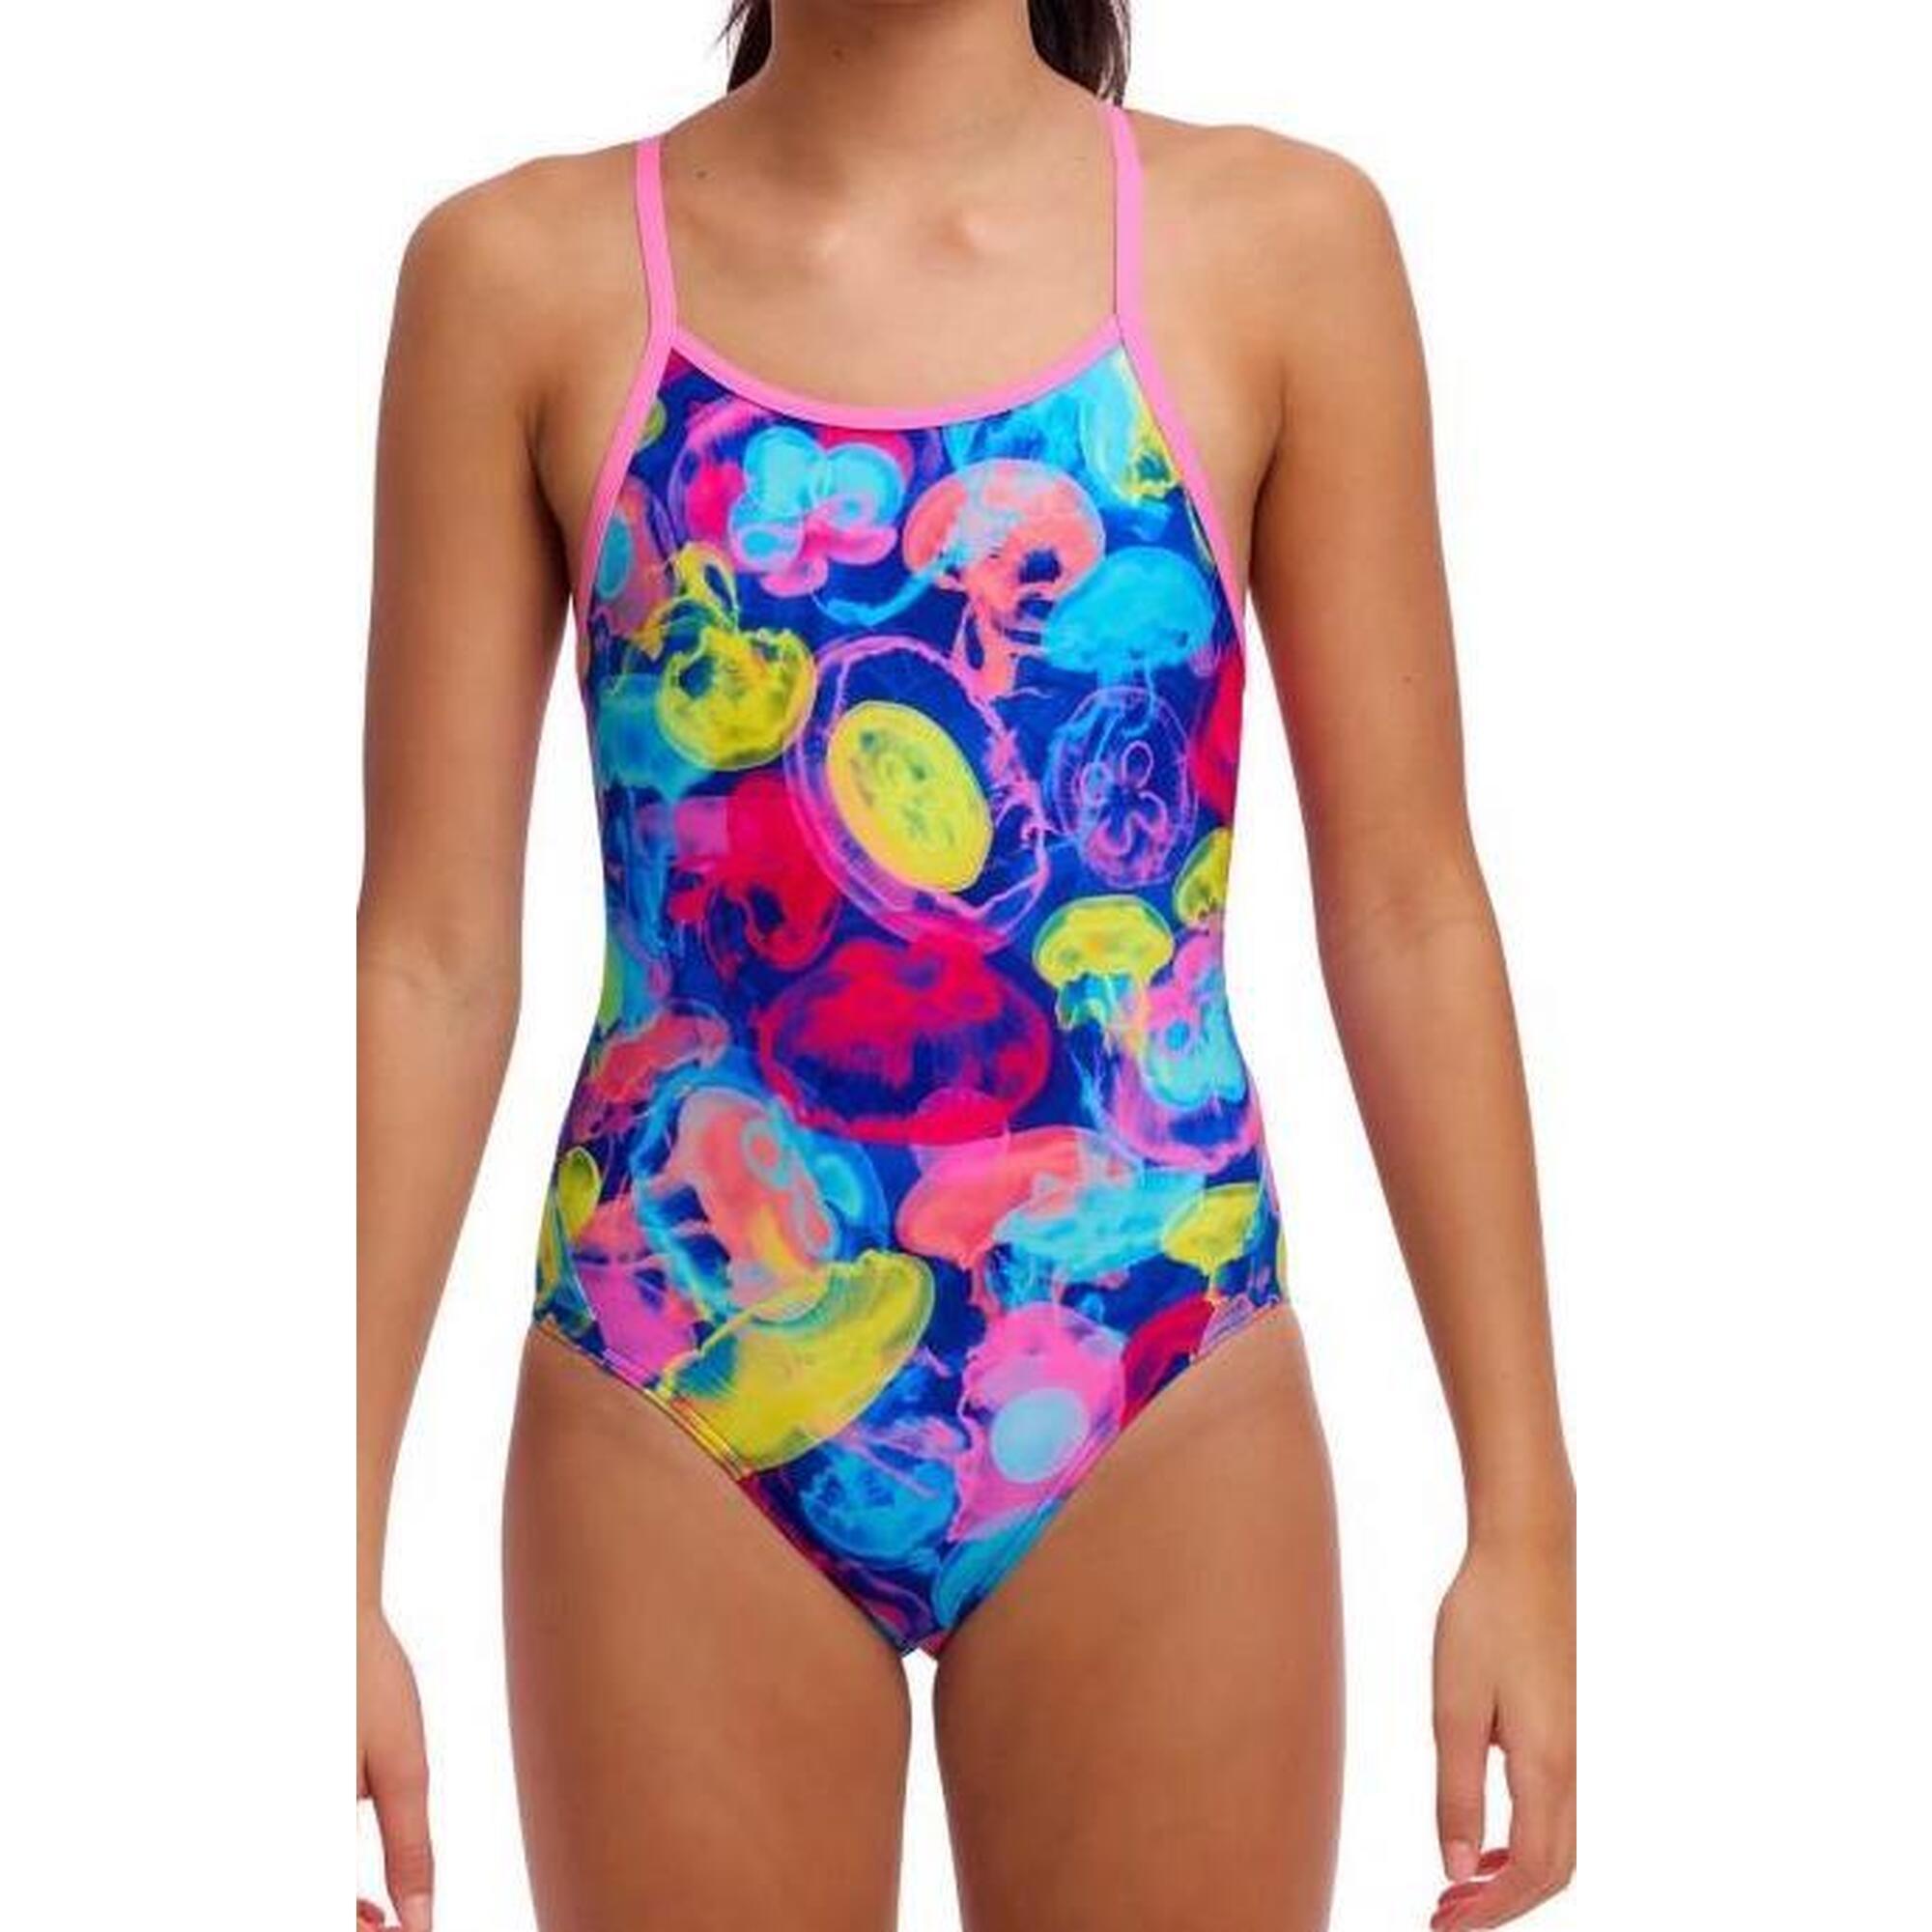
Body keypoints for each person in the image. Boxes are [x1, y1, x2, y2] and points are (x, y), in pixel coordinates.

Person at [356, 3, 1577, 1927]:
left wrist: (1525, 1515)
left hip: (1155, 1358)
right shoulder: (521, 277)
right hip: (677, 1375)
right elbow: (427, 954)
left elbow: (1411, 901)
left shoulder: (1277, 248)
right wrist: (319, 1556)